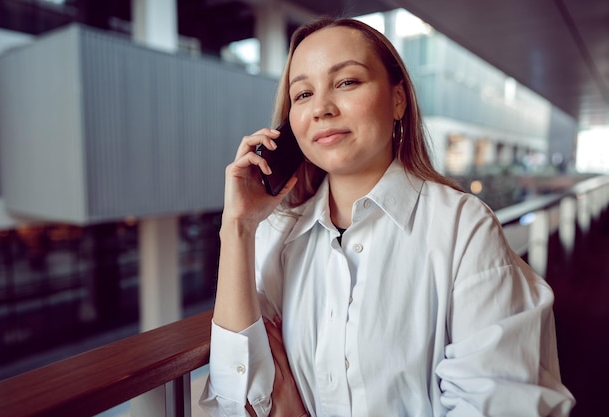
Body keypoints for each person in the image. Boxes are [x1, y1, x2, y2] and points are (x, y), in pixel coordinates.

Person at [200, 17, 575, 417]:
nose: (322, 109)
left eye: (346, 82)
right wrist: (238, 225)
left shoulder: (462, 227)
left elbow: (498, 404)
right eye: (303, 93)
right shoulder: (276, 235)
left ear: (398, 99)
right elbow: (235, 403)